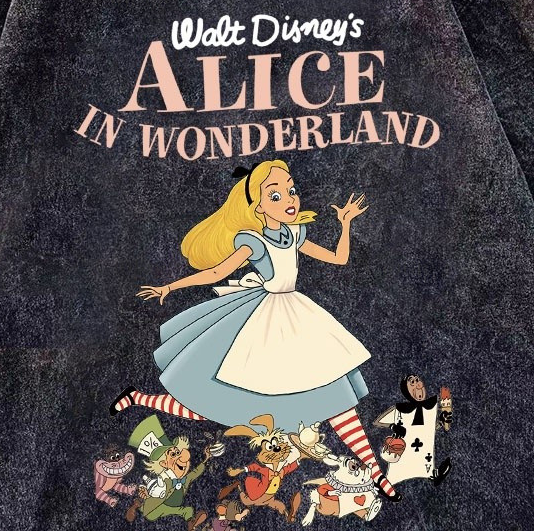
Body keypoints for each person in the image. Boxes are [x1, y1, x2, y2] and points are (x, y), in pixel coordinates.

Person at [112, 158, 399, 501]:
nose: (290, 199)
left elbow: (339, 258)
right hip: (260, 322)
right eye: (275, 195)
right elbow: (216, 272)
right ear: (258, 207)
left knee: (336, 398)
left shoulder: (295, 233)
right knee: (208, 404)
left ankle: (376, 473)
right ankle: (139, 398)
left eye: (291, 190)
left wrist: (346, 224)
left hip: (299, 319)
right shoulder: (254, 241)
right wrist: (170, 287)